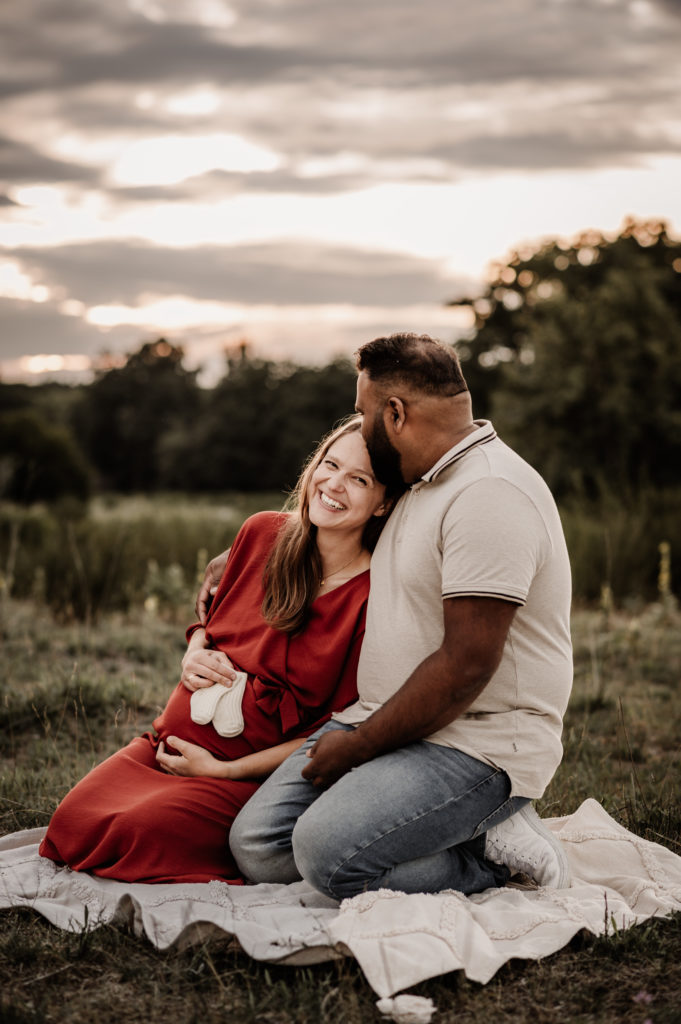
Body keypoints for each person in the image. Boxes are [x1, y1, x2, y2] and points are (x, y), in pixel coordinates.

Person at [217, 332, 574, 899]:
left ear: (396, 413)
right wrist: (240, 558)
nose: (359, 428)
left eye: (362, 414)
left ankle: (486, 856)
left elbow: (467, 665)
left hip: (474, 742)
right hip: (386, 716)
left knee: (324, 854)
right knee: (260, 845)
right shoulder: (419, 476)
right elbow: (341, 523)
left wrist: (357, 748)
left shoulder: (490, 495)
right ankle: (455, 833)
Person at [39, 416, 397, 884]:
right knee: (72, 825)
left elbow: (335, 731)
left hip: (245, 778)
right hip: (162, 745)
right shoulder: (262, 533)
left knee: (129, 835)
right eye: (329, 465)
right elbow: (214, 621)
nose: (333, 484)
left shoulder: (373, 598)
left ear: (382, 503)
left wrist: (225, 770)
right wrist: (193, 648)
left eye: (359, 479)